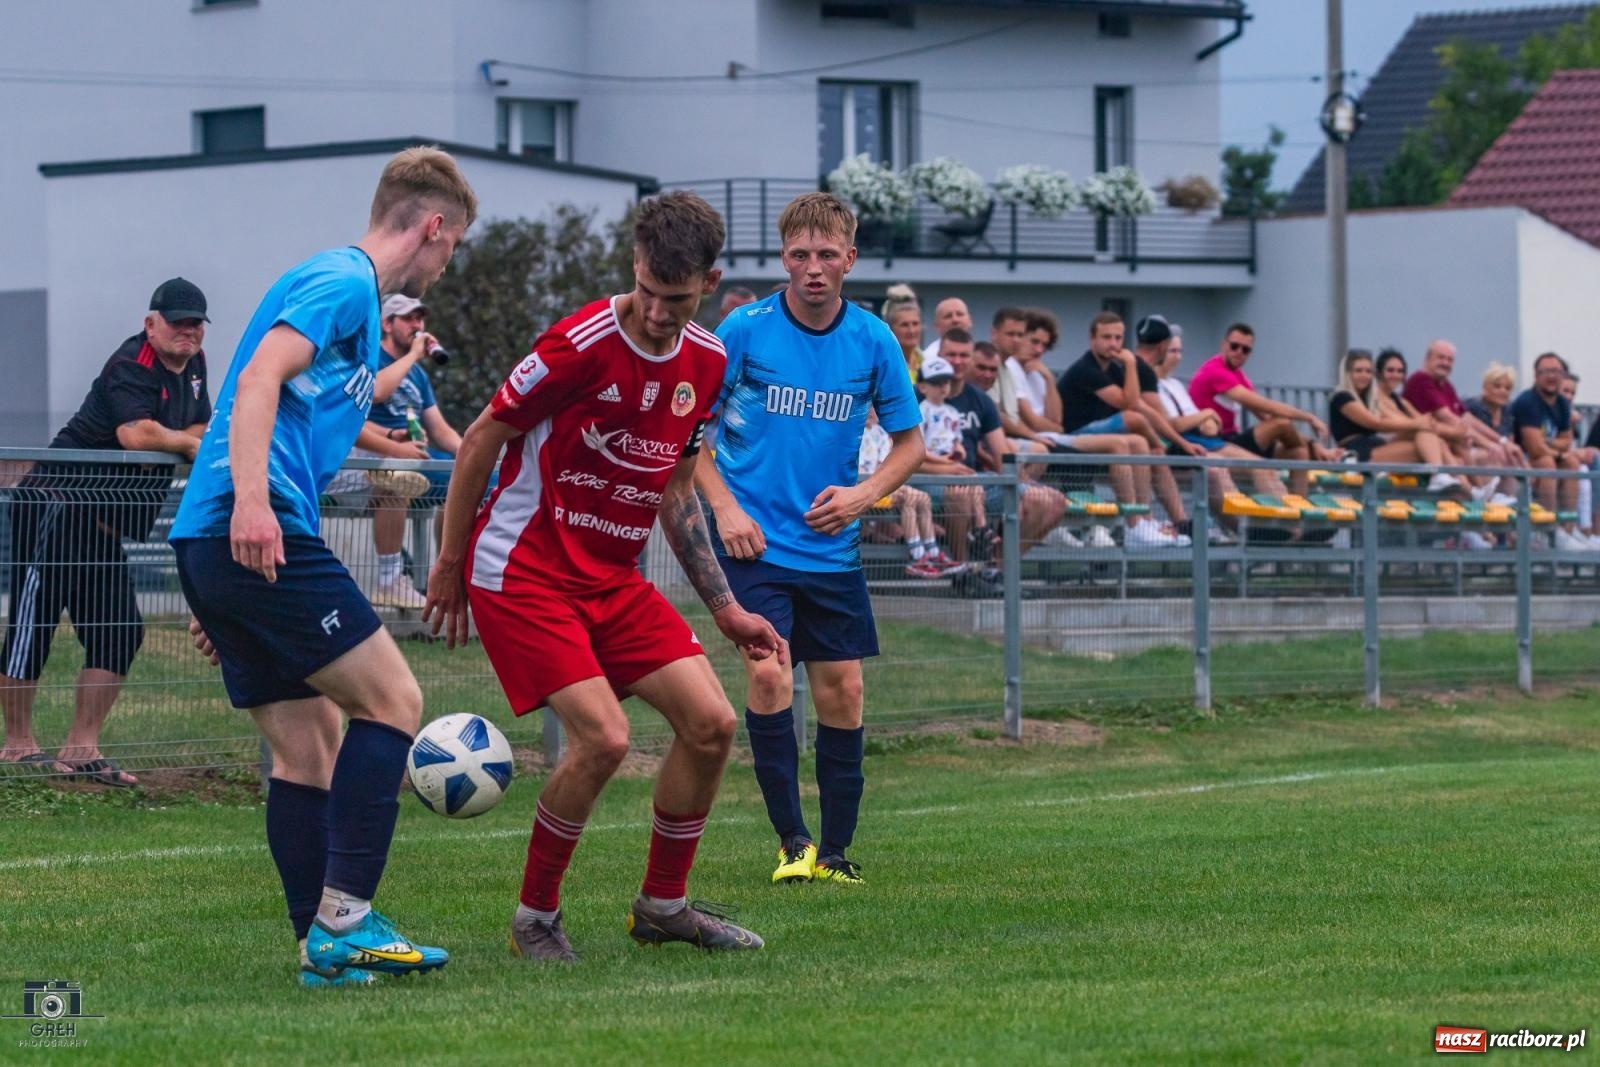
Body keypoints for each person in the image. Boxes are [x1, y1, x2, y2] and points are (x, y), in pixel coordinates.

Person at [423, 190, 783, 961]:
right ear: (635, 265)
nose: (658, 311)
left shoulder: (708, 361)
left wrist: (724, 610)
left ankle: (663, 906)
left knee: (713, 724)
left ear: (709, 284)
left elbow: (678, 490)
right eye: (650, 290)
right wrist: (450, 560)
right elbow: (483, 435)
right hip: (522, 568)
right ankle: (534, 919)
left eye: (677, 299)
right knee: (605, 738)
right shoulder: (578, 342)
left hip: (611, 580)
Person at [168, 146, 478, 988]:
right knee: (395, 699)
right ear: (433, 226)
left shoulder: (361, 317)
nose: (447, 265)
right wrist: (252, 507)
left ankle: (319, 949)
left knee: (309, 748)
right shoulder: (342, 279)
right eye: (452, 248)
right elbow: (261, 373)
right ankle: (347, 915)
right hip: (251, 524)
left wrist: (219, 577)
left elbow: (295, 396)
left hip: (225, 544)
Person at [695, 191, 926, 887]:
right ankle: (792, 841)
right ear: (784, 258)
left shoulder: (873, 340)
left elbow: (910, 441)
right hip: (754, 543)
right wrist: (726, 510)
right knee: (769, 669)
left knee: (844, 692)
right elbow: (691, 440)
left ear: (850, 258)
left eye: (828, 255)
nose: (814, 268)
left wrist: (862, 495)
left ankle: (836, 852)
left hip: (831, 548)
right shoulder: (744, 328)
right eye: (800, 255)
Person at [0, 278, 212, 785]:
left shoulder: (196, 367)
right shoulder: (130, 365)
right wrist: (179, 442)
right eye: (177, 321)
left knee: (120, 630)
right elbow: (135, 436)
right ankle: (17, 746)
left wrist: (177, 439)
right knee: (34, 626)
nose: (188, 331)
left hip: (102, 520)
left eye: (195, 323)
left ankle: (80, 750)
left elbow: (206, 429)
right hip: (53, 503)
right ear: (150, 323)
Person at [339, 293, 464, 610]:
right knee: (398, 477)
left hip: (412, 454)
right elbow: (375, 395)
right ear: (387, 324)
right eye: (408, 318)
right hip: (368, 457)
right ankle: (391, 580)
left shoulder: (419, 377)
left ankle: (444, 576)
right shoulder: (370, 357)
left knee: (466, 482)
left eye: (420, 319)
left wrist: (475, 456)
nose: (417, 325)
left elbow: (440, 430)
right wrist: (412, 357)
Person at [1055, 312, 1191, 547]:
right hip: (1071, 437)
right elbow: (1129, 405)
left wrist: (1182, 442)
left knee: (1139, 444)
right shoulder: (1086, 369)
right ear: (1092, 338)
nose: (1113, 344)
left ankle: (1143, 522)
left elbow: (1142, 406)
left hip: (1095, 437)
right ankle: (1134, 524)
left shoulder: (1114, 368)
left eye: (1118, 338)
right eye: (1106, 337)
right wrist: (1130, 364)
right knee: (1126, 437)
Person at [1187, 322, 1334, 495]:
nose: (1239, 353)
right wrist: (1310, 418)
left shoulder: (1237, 374)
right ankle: (1285, 509)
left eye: (1245, 350)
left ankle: (1298, 513)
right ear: (1223, 345)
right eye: (1234, 346)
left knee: (1298, 452)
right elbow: (1267, 406)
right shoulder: (1215, 371)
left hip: (1231, 439)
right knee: (1281, 425)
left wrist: (1311, 442)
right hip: (1215, 443)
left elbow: (1265, 415)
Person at [1401, 339, 1520, 498]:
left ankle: (1493, 497)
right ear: (1427, 359)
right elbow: (1450, 419)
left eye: (1450, 359)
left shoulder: (1445, 385)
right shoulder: (1420, 380)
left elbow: (1466, 418)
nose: (1445, 363)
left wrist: (1501, 442)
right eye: (1441, 357)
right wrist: (1490, 445)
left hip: (1449, 444)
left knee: (1501, 453)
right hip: (1421, 444)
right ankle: (1483, 498)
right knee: (1488, 454)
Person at [859, 406, 956, 577]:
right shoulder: (853, 434)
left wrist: (892, 486)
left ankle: (932, 553)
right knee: (910, 498)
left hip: (879, 485)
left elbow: (884, 467)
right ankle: (917, 557)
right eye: (867, 406)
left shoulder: (881, 434)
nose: (870, 411)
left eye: (874, 407)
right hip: (861, 490)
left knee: (923, 498)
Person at [1372, 349, 1468, 493]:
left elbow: (1425, 420)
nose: (1395, 375)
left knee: (1450, 445)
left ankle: (1470, 488)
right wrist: (1453, 432)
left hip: (1401, 444)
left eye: (1400, 371)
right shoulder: (1375, 397)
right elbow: (1409, 424)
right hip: (1379, 450)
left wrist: (1455, 433)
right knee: (1429, 435)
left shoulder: (1401, 400)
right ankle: (1456, 483)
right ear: (1379, 373)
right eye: (1390, 370)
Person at [920, 296, 971, 362]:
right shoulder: (928, 359)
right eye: (948, 316)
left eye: (960, 314)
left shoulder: (978, 355)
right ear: (937, 325)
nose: (955, 320)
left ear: (970, 320)